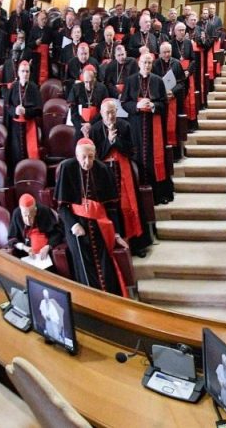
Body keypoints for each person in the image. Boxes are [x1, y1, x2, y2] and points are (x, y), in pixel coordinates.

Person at [54, 138, 128, 297]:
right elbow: (61, 207)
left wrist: (116, 234)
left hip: (100, 225)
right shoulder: (67, 168)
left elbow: (112, 207)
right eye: (83, 157)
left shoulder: (102, 169)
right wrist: (73, 225)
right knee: (84, 266)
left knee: (105, 266)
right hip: (76, 226)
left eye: (91, 157)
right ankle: (90, 299)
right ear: (76, 155)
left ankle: (111, 300)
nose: (87, 162)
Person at [91, 99, 151, 257]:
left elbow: (131, 151)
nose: (110, 116)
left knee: (131, 206)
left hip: (124, 171)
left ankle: (137, 244)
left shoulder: (125, 126)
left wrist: (116, 140)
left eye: (113, 112)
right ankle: (117, 246)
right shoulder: (95, 130)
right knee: (112, 209)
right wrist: (109, 141)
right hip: (105, 175)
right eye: (107, 113)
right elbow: (96, 156)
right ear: (101, 114)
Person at [122, 52, 173, 205]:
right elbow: (124, 102)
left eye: (150, 62)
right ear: (139, 63)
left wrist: (153, 106)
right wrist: (136, 106)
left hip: (153, 125)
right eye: (144, 62)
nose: (147, 65)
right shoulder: (130, 81)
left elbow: (164, 104)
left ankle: (158, 195)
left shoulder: (158, 81)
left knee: (154, 158)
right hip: (136, 125)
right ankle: (140, 196)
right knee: (137, 156)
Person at [4, 60, 43, 164]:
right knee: (15, 152)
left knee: (29, 152)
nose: (25, 74)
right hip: (15, 127)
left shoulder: (34, 87)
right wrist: (15, 111)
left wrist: (26, 111)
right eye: (23, 71)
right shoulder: (13, 87)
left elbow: (39, 109)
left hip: (29, 125)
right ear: (18, 73)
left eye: (27, 71)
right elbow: (7, 106)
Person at [9, 193, 64, 262]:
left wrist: (48, 246)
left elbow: (58, 232)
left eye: (30, 215)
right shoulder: (16, 214)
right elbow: (12, 238)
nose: (28, 219)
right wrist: (24, 247)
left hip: (47, 256)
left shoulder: (44, 211)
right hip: (26, 256)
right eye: (25, 215)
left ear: (35, 211)